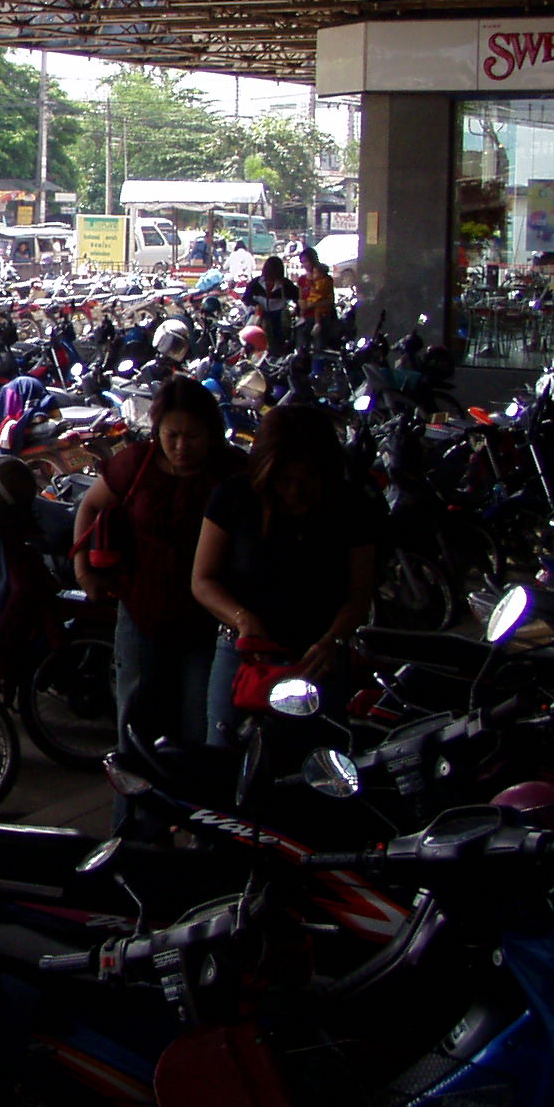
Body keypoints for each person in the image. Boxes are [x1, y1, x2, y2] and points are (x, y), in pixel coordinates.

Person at [74, 379, 245, 794]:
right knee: (135, 730)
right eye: (172, 435)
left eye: (192, 436)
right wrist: (84, 571)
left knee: (196, 731)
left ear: (211, 432)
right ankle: (134, 830)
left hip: (207, 627)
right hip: (140, 616)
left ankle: (190, 823)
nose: (181, 446)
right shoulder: (136, 464)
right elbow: (91, 506)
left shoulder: (234, 472)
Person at [192, 404, 379, 742]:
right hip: (245, 655)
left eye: (306, 480)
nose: (293, 491)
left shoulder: (351, 505)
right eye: (283, 479)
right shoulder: (234, 497)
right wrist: (242, 619)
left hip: (318, 661)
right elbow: (203, 580)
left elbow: (359, 596)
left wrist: (332, 640)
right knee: (226, 760)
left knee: (318, 762)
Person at [242, 255, 301, 355]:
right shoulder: (256, 283)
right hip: (259, 320)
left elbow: (299, 299)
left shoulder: (286, 285)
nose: (271, 282)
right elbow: (246, 299)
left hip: (278, 322)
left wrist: (295, 312)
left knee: (276, 349)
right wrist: (256, 305)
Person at [297, 247, 335, 348]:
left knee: (319, 348)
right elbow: (300, 297)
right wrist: (302, 305)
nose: (304, 265)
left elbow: (330, 301)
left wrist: (313, 304)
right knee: (301, 348)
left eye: (306, 261)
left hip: (320, 317)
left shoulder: (325, 279)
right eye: (302, 262)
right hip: (305, 318)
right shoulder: (302, 279)